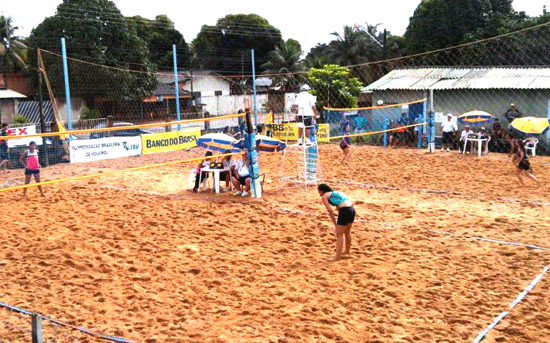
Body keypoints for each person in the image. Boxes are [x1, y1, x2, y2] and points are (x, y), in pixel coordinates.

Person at [318, 184, 356, 262]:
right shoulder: (336, 193)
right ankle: (347, 251)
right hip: (351, 209)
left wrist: (335, 223)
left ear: (321, 191)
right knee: (347, 232)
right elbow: (341, 205)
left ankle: (337, 257)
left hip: (345, 210)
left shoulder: (324, 196)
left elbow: (330, 210)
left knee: (339, 234)